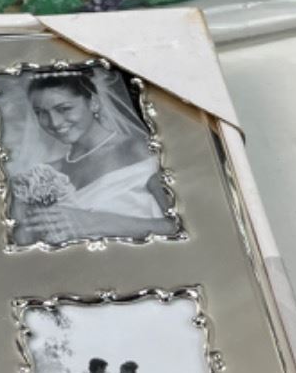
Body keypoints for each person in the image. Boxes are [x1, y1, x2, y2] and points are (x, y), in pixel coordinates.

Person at [12, 69, 175, 245]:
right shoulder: (47, 174)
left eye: (64, 109)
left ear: (94, 103)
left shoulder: (139, 149)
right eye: (40, 113)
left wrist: (95, 222)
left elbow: (178, 226)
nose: (54, 122)